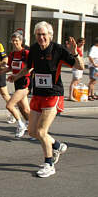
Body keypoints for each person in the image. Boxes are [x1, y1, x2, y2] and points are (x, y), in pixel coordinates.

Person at [9, 21, 84, 178]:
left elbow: (80, 67)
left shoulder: (59, 49)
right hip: (38, 94)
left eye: (44, 34)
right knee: (32, 131)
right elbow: (28, 67)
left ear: (50, 35)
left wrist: (75, 53)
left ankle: (49, 164)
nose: (41, 37)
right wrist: (17, 76)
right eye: (38, 35)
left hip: (53, 95)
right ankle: (56, 145)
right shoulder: (34, 49)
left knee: (42, 131)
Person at [0, 32, 30, 138]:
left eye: (17, 40)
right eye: (13, 40)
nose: (15, 42)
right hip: (16, 82)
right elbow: (11, 67)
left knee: (9, 105)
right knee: (24, 109)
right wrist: (1, 71)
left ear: (21, 41)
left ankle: (21, 125)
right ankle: (33, 128)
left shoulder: (26, 53)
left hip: (25, 82)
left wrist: (18, 75)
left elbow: (31, 67)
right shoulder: (12, 54)